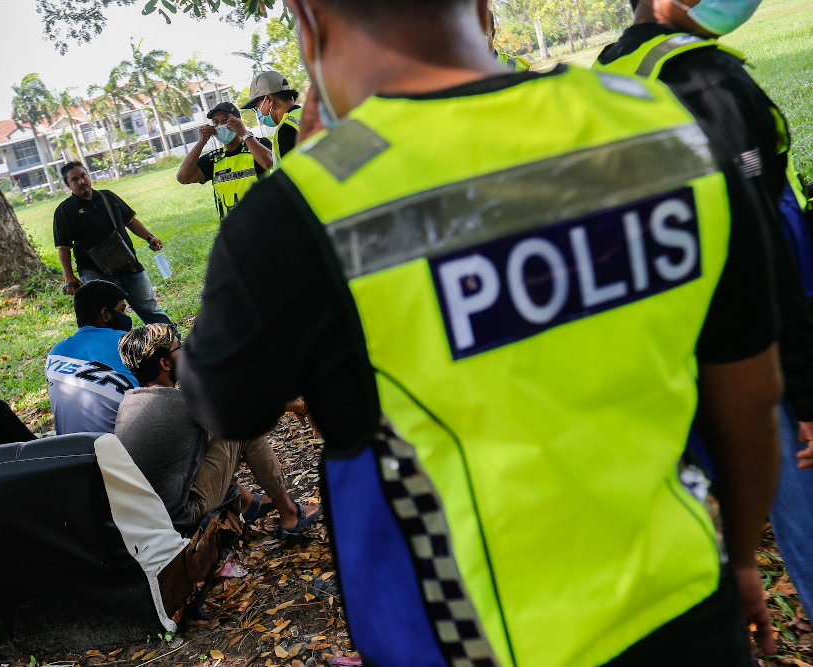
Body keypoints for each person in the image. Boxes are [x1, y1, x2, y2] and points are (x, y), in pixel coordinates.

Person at [178, 0, 782, 665]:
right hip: (690, 610)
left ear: (307, 16)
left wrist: (313, 168)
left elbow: (224, 399)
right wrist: (745, 558)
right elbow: (752, 390)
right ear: (484, 7)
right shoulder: (661, 127)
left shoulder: (304, 211)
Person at [596, 0, 813, 630]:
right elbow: (764, 255)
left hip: (670, 356)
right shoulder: (705, 80)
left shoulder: (612, 75)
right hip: (755, 355)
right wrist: (804, 391)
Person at [114, 324, 320, 537]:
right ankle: (290, 515)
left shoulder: (130, 403)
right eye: (180, 349)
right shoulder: (184, 403)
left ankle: (246, 503)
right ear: (165, 363)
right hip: (180, 517)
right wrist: (301, 407)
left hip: (149, 518)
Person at [53, 160, 173, 326]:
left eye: (83, 176)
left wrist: (149, 237)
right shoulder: (64, 211)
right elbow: (63, 247)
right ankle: (120, 351)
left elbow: (130, 221)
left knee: (150, 310)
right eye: (74, 179)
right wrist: (69, 276)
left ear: (88, 175)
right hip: (94, 272)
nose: (81, 181)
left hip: (129, 265)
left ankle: (174, 344)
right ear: (68, 185)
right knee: (107, 319)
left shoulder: (108, 196)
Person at [46, 280, 139, 435]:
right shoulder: (126, 342)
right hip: (120, 449)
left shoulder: (55, 352)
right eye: (122, 311)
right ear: (105, 314)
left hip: (69, 451)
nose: (125, 316)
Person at [176, 102, 274, 220]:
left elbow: (268, 162)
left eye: (225, 119)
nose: (220, 125)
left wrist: (244, 133)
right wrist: (201, 142)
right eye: (216, 122)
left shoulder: (258, 144)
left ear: (238, 120)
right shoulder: (213, 159)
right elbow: (183, 178)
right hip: (232, 232)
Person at [241, 70, 303, 166]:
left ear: (269, 100)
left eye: (257, 107)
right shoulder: (306, 114)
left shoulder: (287, 129)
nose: (259, 112)